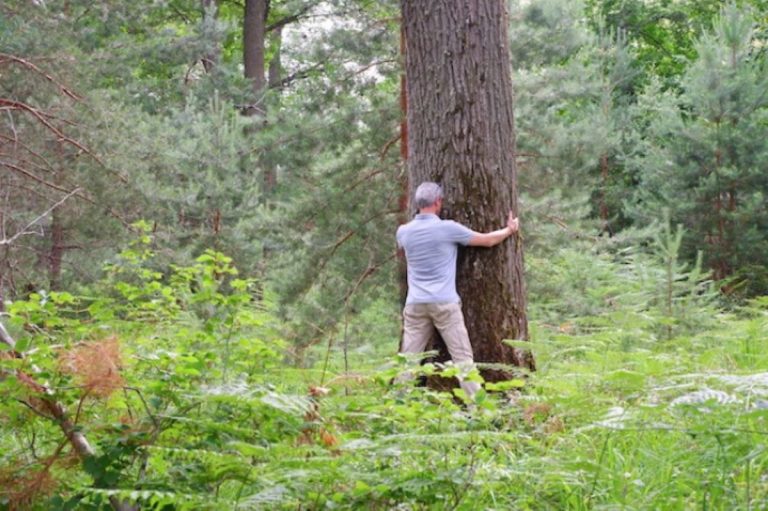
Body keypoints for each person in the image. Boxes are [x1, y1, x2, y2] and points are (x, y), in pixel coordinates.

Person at [395, 182, 520, 398]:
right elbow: (488, 240)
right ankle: (479, 408)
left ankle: (395, 404)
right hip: (444, 303)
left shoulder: (403, 232)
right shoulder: (448, 228)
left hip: (415, 303)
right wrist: (510, 229)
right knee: (462, 358)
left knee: (409, 359)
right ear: (437, 203)